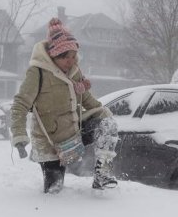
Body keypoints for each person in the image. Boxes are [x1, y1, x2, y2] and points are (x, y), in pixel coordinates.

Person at [10, 17, 119, 193]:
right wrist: (20, 137)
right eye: (65, 57)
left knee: (107, 124)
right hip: (50, 141)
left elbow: (88, 100)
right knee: (54, 190)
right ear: (54, 56)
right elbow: (19, 105)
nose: (71, 60)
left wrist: (105, 115)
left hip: (74, 133)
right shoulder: (37, 72)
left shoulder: (74, 72)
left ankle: (103, 174)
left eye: (73, 55)